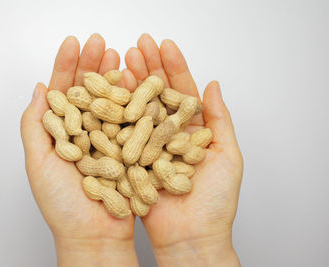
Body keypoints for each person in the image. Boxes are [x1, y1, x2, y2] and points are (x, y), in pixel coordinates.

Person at [20, 33, 243, 267]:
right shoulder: (104, 133)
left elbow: (142, 144)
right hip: (116, 156)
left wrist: (205, 242)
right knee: (128, 144)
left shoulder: (151, 139)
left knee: (138, 145)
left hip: (139, 152)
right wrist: (205, 248)